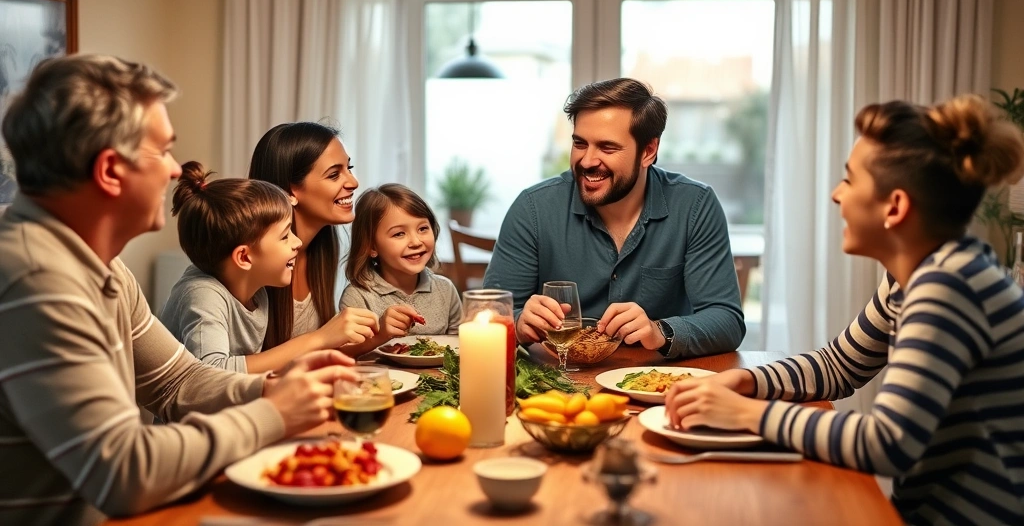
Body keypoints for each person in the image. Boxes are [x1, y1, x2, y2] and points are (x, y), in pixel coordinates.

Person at [0, 54, 356, 524]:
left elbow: (176, 381)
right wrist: (273, 415)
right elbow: (123, 472)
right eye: (162, 150)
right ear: (110, 171)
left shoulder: (100, 265)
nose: (174, 170)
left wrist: (273, 389)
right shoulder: (37, 279)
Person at [665, 95, 1024, 525]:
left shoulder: (945, 288)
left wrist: (746, 414)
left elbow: (887, 443)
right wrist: (745, 381)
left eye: (850, 180)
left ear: (895, 207)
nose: (837, 195)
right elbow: (840, 367)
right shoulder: (920, 275)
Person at [483, 77, 745, 358]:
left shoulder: (694, 206)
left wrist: (660, 331)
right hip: (556, 386)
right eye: (580, 143)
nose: (587, 161)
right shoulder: (533, 208)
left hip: (656, 386)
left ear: (648, 151)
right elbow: (488, 317)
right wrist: (519, 323)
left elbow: (727, 320)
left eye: (607, 148)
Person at [161, 162, 367, 373]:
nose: (297, 243)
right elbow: (211, 374)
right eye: (285, 236)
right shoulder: (203, 295)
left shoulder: (257, 291)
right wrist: (318, 338)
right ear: (244, 257)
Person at [249, 123, 379, 354]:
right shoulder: (253, 263)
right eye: (334, 174)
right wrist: (322, 337)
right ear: (290, 192)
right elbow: (220, 373)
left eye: (349, 168)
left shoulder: (321, 249)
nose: (353, 182)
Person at [342, 184, 461, 339]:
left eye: (423, 229)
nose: (416, 242)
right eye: (399, 234)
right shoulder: (358, 297)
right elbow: (346, 353)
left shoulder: (446, 290)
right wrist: (381, 334)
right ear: (371, 246)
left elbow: (459, 345)